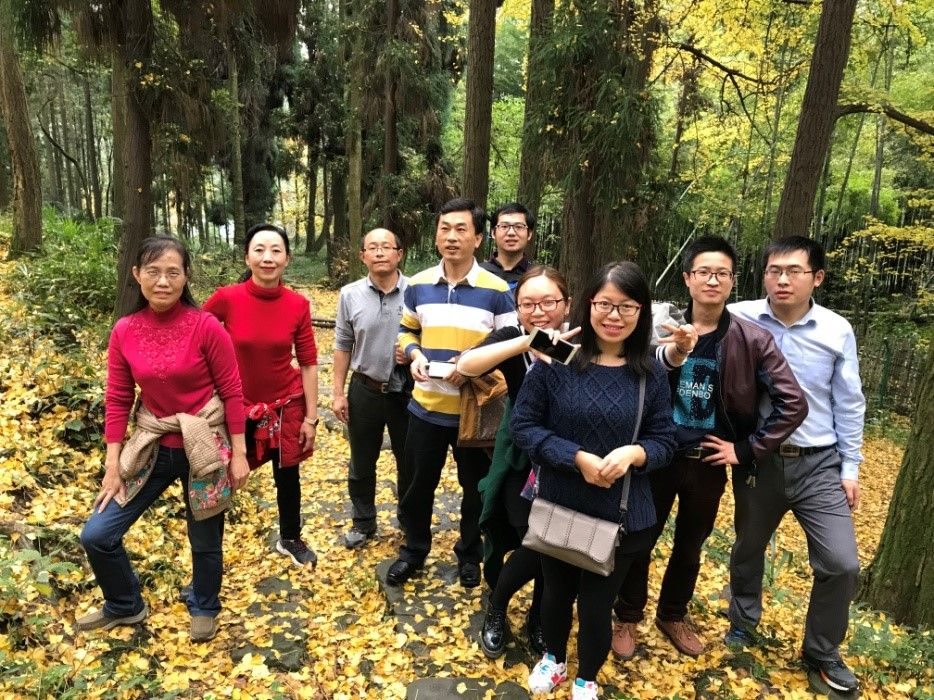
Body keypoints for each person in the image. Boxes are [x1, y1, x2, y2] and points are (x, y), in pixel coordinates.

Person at [613, 236, 808, 659]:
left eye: (722, 273)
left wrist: (746, 449)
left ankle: (672, 613)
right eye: (704, 272)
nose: (713, 280)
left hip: (708, 461)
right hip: (657, 455)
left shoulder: (752, 339)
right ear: (688, 278)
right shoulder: (656, 328)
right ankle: (627, 615)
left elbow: (794, 402)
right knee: (639, 538)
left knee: (690, 545)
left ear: (733, 281)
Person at [511, 261, 677, 700]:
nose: (614, 316)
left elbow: (665, 440)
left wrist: (635, 453)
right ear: (588, 305)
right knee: (555, 594)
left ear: (641, 312)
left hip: (622, 513)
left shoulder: (649, 373)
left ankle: (587, 676)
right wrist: (576, 458)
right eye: (605, 304)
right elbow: (523, 427)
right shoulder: (558, 359)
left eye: (626, 306)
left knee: (597, 605)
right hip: (561, 503)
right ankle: (553, 659)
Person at [77, 236, 249, 643]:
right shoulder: (125, 330)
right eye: (153, 272)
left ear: (186, 276)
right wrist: (112, 464)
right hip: (151, 445)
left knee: (205, 538)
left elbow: (232, 391)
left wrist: (240, 454)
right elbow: (118, 398)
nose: (162, 281)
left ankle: (205, 605)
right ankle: (124, 604)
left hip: (203, 445)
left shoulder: (206, 326)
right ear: (137, 274)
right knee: (97, 534)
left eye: (173, 272)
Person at [726, 236, 864, 693]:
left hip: (819, 463)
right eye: (774, 271)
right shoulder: (739, 316)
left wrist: (850, 468)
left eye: (794, 271)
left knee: (841, 562)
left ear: (817, 278)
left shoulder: (836, 330)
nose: (782, 280)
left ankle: (821, 651)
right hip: (758, 460)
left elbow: (849, 402)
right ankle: (742, 621)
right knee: (748, 547)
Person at [386, 197, 517, 588]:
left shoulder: (496, 289)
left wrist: (472, 367)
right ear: (436, 235)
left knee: (475, 490)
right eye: (445, 228)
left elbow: (510, 340)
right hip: (425, 406)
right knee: (416, 486)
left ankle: (469, 554)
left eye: (461, 229)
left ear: (478, 238)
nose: (451, 236)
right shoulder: (419, 284)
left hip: (475, 412)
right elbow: (407, 330)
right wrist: (414, 354)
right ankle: (413, 550)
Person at [456, 265, 575, 658]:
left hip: (568, 461)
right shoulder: (512, 338)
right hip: (521, 461)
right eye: (528, 304)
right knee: (533, 541)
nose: (538, 311)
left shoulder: (582, 341)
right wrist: (528, 342)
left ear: (567, 304)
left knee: (555, 548)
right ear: (517, 308)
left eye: (548, 302)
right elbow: (467, 366)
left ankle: (538, 617)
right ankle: (498, 606)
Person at [203, 223, 320, 567]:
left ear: (287, 259)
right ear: (247, 257)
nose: (267, 258)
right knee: (221, 475)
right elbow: (196, 336)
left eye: (276, 251)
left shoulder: (298, 304)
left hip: (285, 404)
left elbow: (308, 362)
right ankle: (210, 553)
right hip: (236, 405)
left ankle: (290, 537)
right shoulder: (227, 298)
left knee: (288, 474)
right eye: (259, 250)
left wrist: (311, 418)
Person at [332, 228, 410, 549]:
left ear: (399, 254)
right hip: (364, 388)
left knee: (410, 460)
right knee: (362, 461)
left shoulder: (417, 291)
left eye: (386, 247)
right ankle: (363, 521)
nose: (379, 253)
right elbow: (342, 344)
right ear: (362, 256)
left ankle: (409, 520)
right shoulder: (349, 294)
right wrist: (338, 393)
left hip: (407, 391)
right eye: (372, 248)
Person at [480, 202, 535, 290]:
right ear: (493, 233)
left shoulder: (538, 277)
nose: (511, 233)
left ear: (529, 234)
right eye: (504, 226)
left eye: (519, 227)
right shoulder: (477, 274)